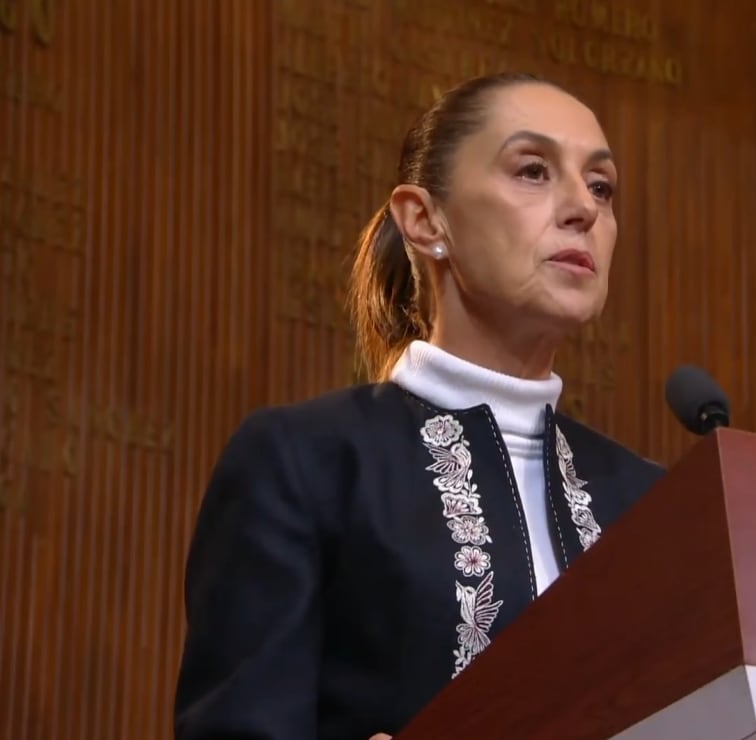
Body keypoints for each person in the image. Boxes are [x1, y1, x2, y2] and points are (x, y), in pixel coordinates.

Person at [172, 71, 665, 740]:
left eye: (601, 187)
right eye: (531, 171)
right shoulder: (308, 460)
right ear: (424, 219)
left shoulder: (649, 502)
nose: (583, 207)